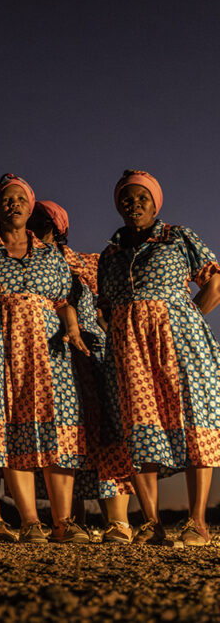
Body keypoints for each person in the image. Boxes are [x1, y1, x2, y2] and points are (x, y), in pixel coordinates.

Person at [98, 170, 220, 546]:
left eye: (142, 198)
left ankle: (197, 521)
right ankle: (151, 523)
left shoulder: (178, 237)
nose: (134, 204)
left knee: (194, 417)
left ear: (155, 203)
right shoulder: (110, 254)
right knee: (141, 425)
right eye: (126, 199)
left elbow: (215, 281)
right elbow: (104, 307)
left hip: (180, 338)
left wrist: (190, 319)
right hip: (130, 347)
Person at [0, 175, 91, 544]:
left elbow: (64, 301)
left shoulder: (51, 255)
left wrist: (72, 327)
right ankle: (30, 521)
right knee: (14, 430)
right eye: (6, 200)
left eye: (21, 198)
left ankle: (64, 521)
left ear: (30, 205)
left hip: (48, 349)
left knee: (58, 428)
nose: (14, 204)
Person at [28, 199, 134, 544]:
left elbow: (108, 305)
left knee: (108, 430)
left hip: (94, 349)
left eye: (43, 219)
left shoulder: (88, 262)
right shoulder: (23, 259)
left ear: (60, 226)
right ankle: (68, 521)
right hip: (49, 351)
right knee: (63, 435)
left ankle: (117, 521)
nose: (35, 223)